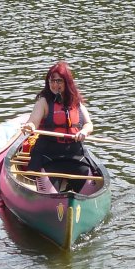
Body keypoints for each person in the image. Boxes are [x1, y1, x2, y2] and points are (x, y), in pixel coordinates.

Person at [22, 61, 95, 191]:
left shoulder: (76, 102)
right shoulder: (43, 102)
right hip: (49, 155)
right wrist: (30, 126)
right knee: (47, 191)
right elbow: (33, 121)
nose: (55, 85)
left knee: (90, 189)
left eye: (59, 81)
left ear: (67, 82)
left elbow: (88, 124)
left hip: (74, 154)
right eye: (52, 81)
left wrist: (84, 131)